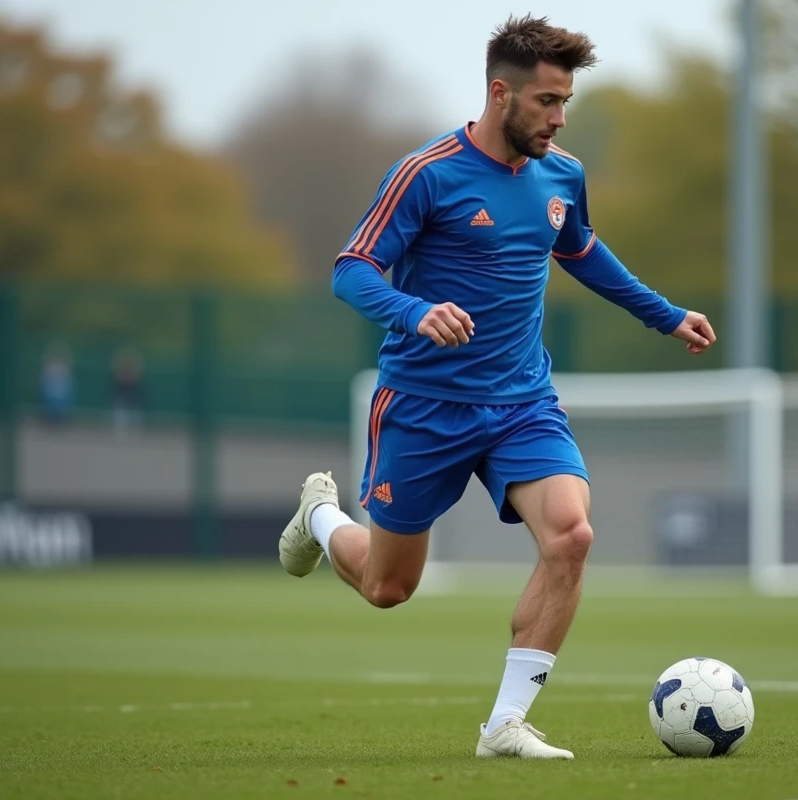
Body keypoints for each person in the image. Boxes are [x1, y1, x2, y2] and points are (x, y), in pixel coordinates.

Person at [278, 14, 717, 760]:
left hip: (521, 403)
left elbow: (580, 249)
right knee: (388, 588)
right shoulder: (427, 174)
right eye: (546, 101)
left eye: (566, 101)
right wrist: (415, 312)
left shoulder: (562, 174)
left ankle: (504, 725)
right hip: (423, 405)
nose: (558, 117)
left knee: (572, 535)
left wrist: (664, 315)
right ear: (500, 93)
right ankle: (320, 516)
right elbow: (351, 269)